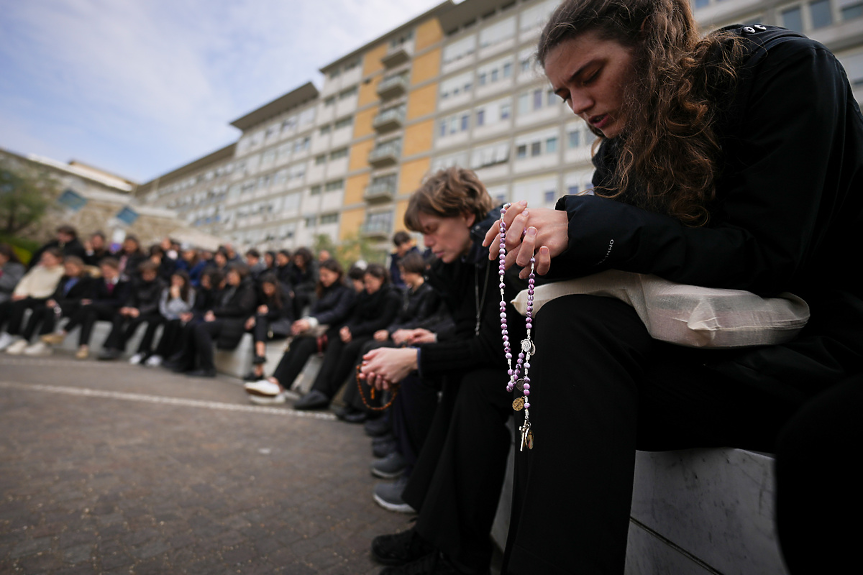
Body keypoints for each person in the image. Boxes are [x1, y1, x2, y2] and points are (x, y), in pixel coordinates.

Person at [482, 1, 863, 573]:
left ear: (650, 38)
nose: (579, 104)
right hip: (696, 352)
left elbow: (768, 257)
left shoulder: (783, 68)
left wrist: (590, 227)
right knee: (549, 339)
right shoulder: (621, 148)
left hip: (812, 352)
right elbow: (637, 261)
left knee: (562, 354)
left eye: (590, 76)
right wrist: (538, 251)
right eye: (564, 94)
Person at [359, 167, 526, 574]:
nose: (427, 243)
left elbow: (494, 347)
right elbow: (472, 328)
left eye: (432, 229)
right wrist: (432, 340)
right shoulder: (471, 255)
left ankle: (459, 558)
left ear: (466, 215)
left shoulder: (501, 248)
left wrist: (414, 359)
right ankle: (431, 533)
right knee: (457, 376)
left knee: (473, 384)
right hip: (506, 367)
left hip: (530, 372)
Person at [243, 259, 356, 404]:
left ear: (337, 274)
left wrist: (311, 322)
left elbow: (338, 313)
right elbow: (315, 310)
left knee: (305, 345)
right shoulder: (324, 289)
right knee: (296, 341)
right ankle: (275, 380)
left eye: (326, 275)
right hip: (317, 330)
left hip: (332, 334)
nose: (323, 278)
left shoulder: (346, 291)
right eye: (321, 275)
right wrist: (305, 323)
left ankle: (281, 386)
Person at [293, 263, 401, 411]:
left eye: (370, 282)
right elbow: (356, 316)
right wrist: (347, 329)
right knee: (336, 342)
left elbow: (381, 322)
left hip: (373, 334)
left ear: (381, 279)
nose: (367, 286)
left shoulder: (391, 296)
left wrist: (353, 331)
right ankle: (319, 390)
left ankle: (334, 393)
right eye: (365, 282)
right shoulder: (365, 295)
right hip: (359, 332)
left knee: (351, 349)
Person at [171, 263, 256, 378]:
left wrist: (215, 313)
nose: (229, 276)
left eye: (232, 273)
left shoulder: (248, 289)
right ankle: (187, 362)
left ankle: (208, 368)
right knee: (192, 325)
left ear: (241, 274)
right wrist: (213, 313)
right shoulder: (231, 288)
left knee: (202, 328)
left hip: (234, 324)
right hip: (224, 319)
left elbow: (240, 309)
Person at [42, 257, 129, 360]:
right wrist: (95, 303)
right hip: (97, 309)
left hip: (114, 310)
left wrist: (95, 303)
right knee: (89, 314)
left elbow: (120, 301)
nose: (106, 273)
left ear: (116, 270)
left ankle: (63, 332)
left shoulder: (125, 282)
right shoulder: (99, 281)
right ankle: (83, 347)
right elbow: (94, 296)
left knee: (88, 306)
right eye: (104, 271)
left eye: (109, 271)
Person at [23, 256, 94, 356]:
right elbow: (56, 293)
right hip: (60, 305)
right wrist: (51, 300)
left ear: (80, 267)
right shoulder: (64, 278)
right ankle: (25, 339)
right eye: (67, 268)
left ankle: (44, 342)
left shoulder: (88, 280)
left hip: (73, 308)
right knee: (39, 309)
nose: (69, 271)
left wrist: (58, 303)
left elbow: (83, 299)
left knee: (51, 312)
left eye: (72, 268)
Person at [98, 260, 165, 362]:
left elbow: (156, 303)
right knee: (119, 317)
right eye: (144, 273)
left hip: (149, 313)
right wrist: (128, 308)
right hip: (134, 309)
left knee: (134, 322)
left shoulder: (161, 285)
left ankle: (117, 348)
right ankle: (109, 346)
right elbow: (132, 298)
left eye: (149, 273)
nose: (146, 276)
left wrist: (139, 311)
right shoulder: (138, 282)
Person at [0, 248, 65, 353]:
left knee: (25, 306)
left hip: (43, 298)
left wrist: (28, 295)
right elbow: (25, 282)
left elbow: (52, 289)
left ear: (58, 259)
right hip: (28, 296)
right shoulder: (38, 269)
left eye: (48, 259)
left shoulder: (61, 272)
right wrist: (19, 293)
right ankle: (8, 334)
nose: (45, 261)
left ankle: (17, 336)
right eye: (44, 258)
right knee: (8, 304)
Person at [242, 272, 293, 381]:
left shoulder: (284, 294)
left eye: (269, 287)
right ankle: (259, 362)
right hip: (266, 327)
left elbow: (282, 314)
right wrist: (256, 316)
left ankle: (259, 365)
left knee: (259, 325)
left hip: (281, 327)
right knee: (259, 326)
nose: (267, 291)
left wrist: (266, 312)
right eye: (265, 288)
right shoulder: (263, 295)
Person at [143, 270, 196, 367]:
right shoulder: (167, 290)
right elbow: (164, 307)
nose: (176, 281)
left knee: (174, 325)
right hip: (167, 316)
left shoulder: (190, 292)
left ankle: (166, 355)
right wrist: (171, 315)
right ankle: (145, 351)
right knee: (153, 322)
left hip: (178, 318)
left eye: (178, 279)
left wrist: (176, 297)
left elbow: (186, 308)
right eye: (174, 279)